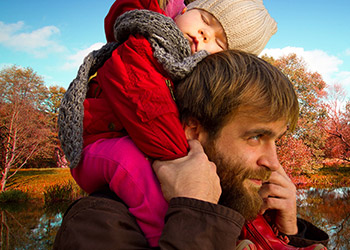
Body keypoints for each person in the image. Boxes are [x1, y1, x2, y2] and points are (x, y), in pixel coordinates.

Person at [54, 50, 329, 249]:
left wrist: (289, 233)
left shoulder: (237, 203)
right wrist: (197, 214)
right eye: (256, 136)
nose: (273, 162)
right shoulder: (97, 222)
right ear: (194, 131)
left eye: (276, 140)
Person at [57, 0, 277, 246]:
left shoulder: (181, 67)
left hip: (131, 142)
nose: (204, 36)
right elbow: (149, 109)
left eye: (219, 42)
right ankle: (158, 236)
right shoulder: (146, 44)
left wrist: (285, 227)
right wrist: (182, 160)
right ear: (183, 10)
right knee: (135, 167)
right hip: (101, 144)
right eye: (205, 20)